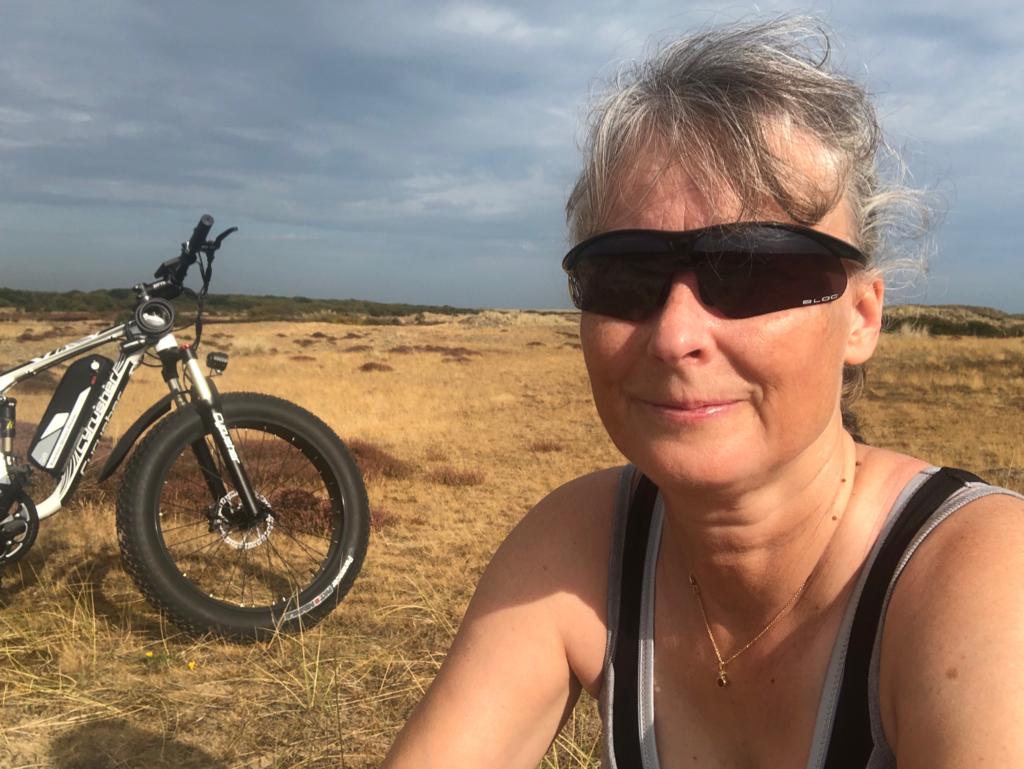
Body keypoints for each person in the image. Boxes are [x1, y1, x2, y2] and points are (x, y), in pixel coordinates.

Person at [382, 17, 1024, 768]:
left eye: (752, 271)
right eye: (625, 276)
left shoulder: (980, 577)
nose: (674, 333)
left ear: (861, 317)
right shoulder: (583, 542)